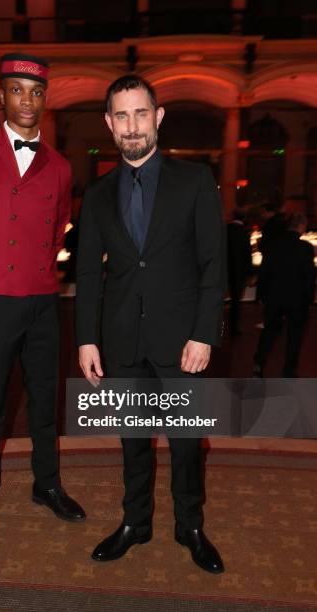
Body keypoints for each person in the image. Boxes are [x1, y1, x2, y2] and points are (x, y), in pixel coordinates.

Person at [76, 75, 226, 574]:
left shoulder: (195, 180)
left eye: (141, 113)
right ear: (109, 124)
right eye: (121, 115)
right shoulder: (97, 193)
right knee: (133, 442)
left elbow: (214, 265)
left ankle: (190, 526)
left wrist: (204, 332)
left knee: (186, 445)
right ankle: (135, 523)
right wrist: (86, 338)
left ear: (158, 117)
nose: (132, 125)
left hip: (182, 340)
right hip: (122, 340)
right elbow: (88, 274)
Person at [0, 53, 85, 548]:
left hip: (44, 300)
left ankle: (46, 485)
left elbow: (56, 229)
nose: (29, 100)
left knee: (46, 400)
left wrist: (42, 273)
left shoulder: (62, 166)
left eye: (37, 92)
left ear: (45, 100)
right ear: (1, 96)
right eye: (19, 90)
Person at [253, 213, 315, 377]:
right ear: (302, 226)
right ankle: (289, 370)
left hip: (274, 297)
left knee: (269, 332)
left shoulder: (273, 245)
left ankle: (258, 364)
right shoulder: (306, 248)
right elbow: (309, 276)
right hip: (297, 299)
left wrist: (260, 296)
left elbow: (264, 272)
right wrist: (310, 298)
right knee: (294, 335)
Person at [227, 208, 253, 336]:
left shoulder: (225, 230)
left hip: (223, 271)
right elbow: (247, 256)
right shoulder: (244, 233)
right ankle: (233, 328)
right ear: (245, 218)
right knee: (235, 302)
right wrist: (250, 273)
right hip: (238, 273)